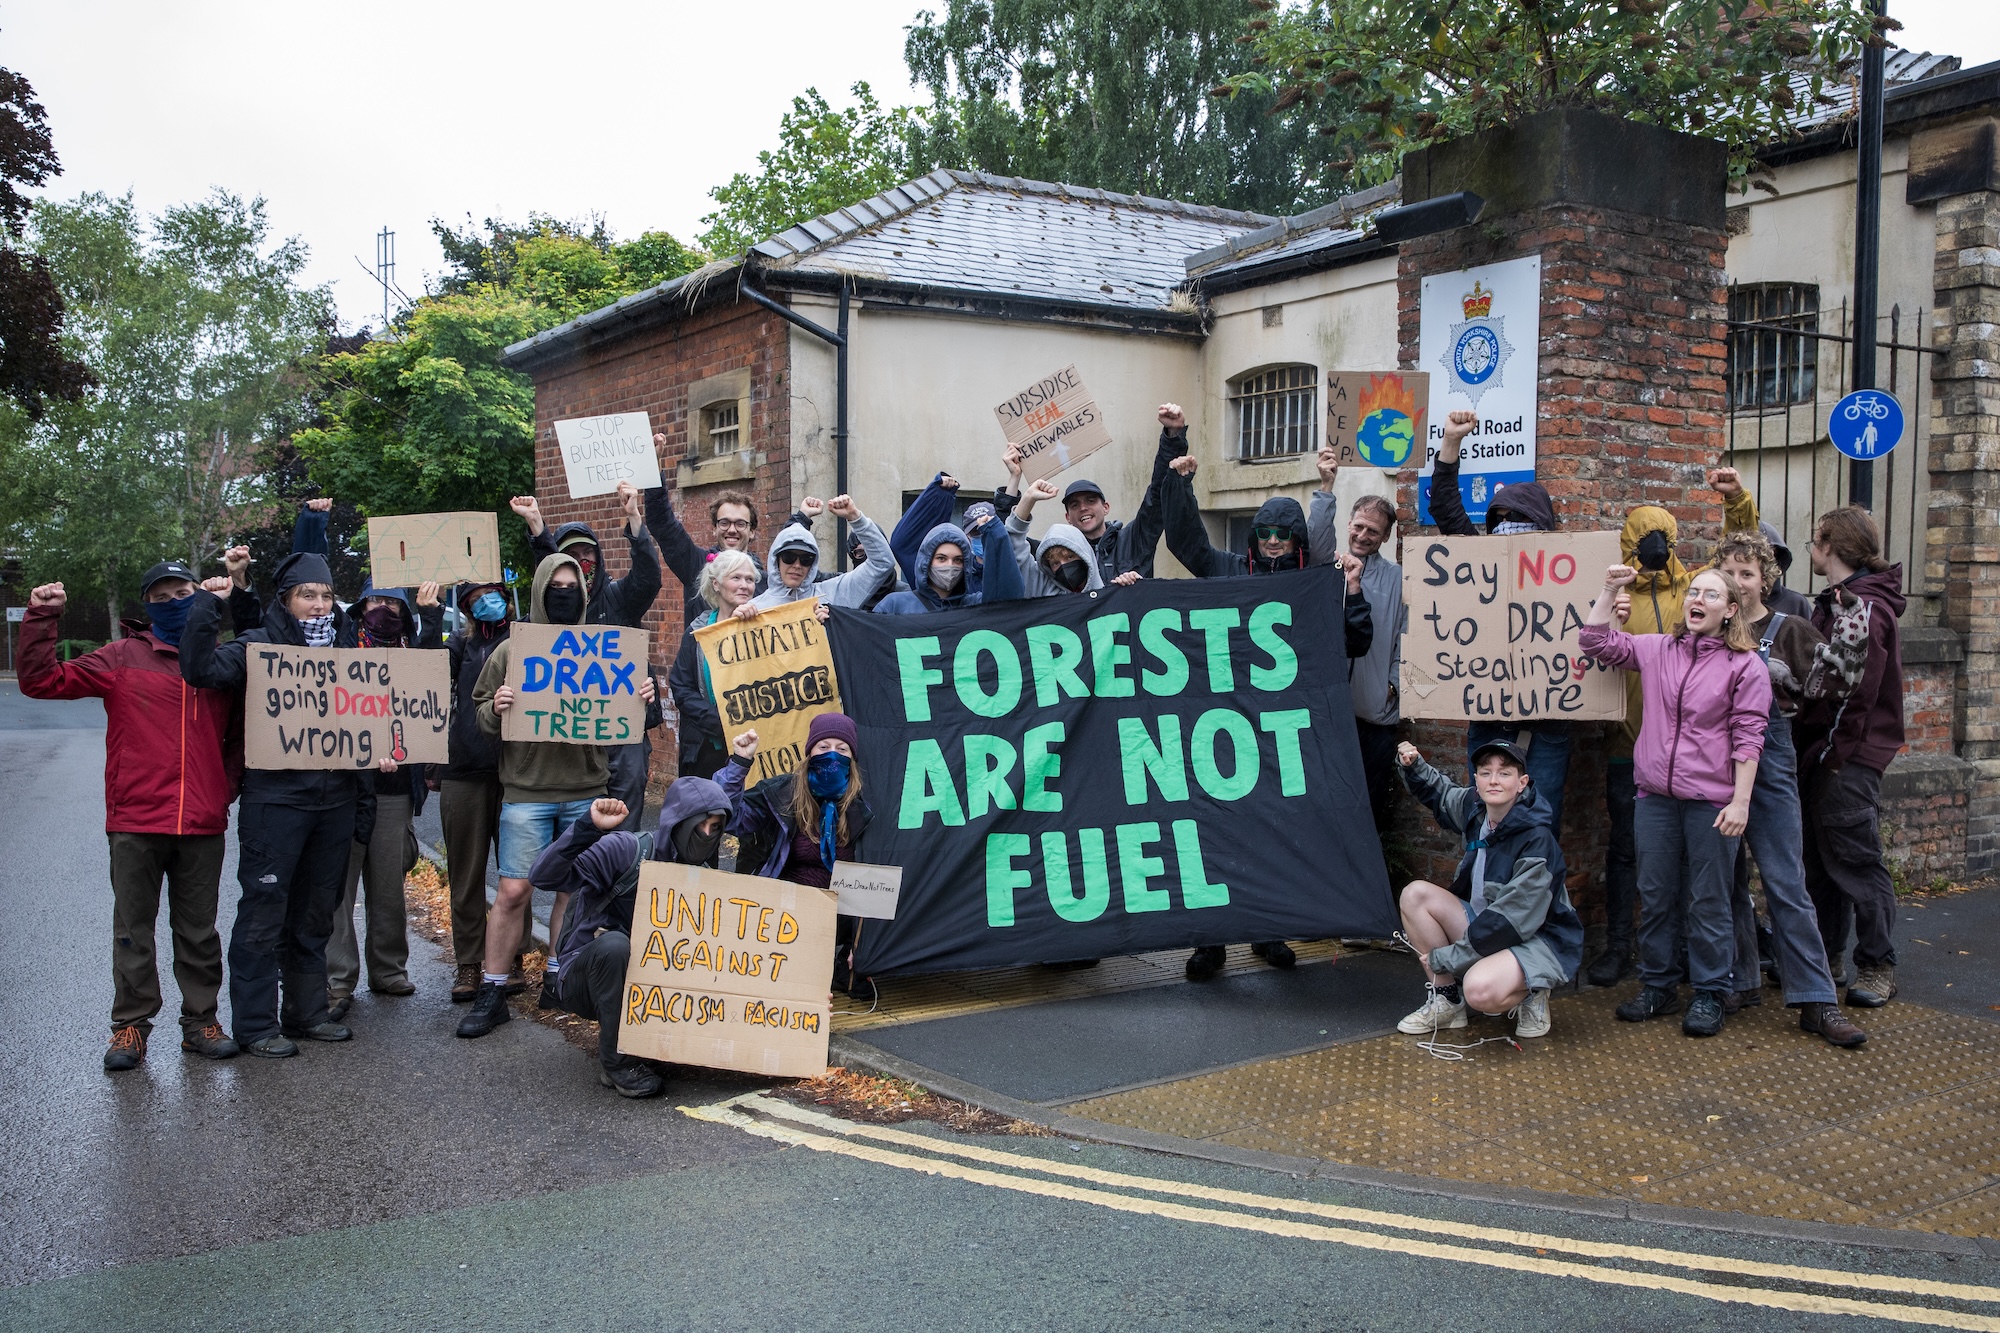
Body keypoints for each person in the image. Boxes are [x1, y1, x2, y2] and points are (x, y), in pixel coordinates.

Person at [18, 551, 258, 1070]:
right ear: (146, 606)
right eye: (162, 597)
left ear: (199, 599)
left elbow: (240, 737)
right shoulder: (121, 657)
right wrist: (42, 616)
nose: (174, 602)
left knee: (198, 930)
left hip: (200, 819)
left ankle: (200, 1023)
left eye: (183, 594)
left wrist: (224, 788)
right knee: (133, 927)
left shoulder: (221, 660)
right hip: (135, 818)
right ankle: (130, 1026)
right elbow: (41, 682)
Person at [180, 523, 396, 1058]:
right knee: (264, 911)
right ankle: (256, 1025)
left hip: (336, 801)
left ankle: (307, 1012)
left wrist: (383, 750)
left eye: (326, 595)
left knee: (315, 913)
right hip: (275, 803)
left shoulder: (350, 651)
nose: (320, 605)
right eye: (308, 595)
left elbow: (383, 710)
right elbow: (200, 669)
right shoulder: (258, 646)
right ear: (286, 600)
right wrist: (210, 607)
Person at [1159, 449, 1372, 980]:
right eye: (1264, 534)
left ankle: (1267, 929)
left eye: (1283, 534)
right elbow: (1186, 544)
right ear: (1252, 538)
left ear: (1297, 540)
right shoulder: (1228, 569)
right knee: (1218, 833)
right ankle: (1210, 943)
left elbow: (1352, 641)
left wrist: (1351, 591)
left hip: (1283, 734)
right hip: (1223, 728)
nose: (1273, 542)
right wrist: (1183, 488)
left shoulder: (1317, 581)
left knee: (1273, 834)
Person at [456, 551, 657, 1038]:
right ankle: (493, 988)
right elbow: (479, 713)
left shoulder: (608, 650)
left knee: (575, 888)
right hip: (526, 791)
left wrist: (645, 700)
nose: (564, 594)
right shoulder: (511, 650)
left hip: (586, 789)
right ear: (541, 591)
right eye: (556, 586)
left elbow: (634, 723)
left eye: (573, 586)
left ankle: (557, 974)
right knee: (513, 890)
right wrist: (497, 707)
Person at [1580, 564, 1771, 1038]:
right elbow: (1596, 642)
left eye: (1710, 594)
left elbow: (1749, 739)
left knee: (1709, 901)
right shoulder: (1659, 649)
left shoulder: (1745, 666)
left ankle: (1710, 992)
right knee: (1657, 895)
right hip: (1655, 799)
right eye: (1694, 592)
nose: (1697, 600)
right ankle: (1659, 986)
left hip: (1712, 802)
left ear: (1730, 610)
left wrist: (1741, 803)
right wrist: (1609, 590)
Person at [1588, 467, 1761, 987]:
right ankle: (1637, 961)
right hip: (1639, 756)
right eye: (1643, 538)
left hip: (1706, 781)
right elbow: (1598, 644)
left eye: (1661, 534)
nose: (1698, 603)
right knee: (1641, 870)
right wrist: (1610, 600)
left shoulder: (1701, 595)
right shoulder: (1642, 619)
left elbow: (1735, 554)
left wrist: (1735, 500)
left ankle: (1706, 979)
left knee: (1705, 887)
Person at [1712, 531, 1867, 1047]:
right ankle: (1738, 981)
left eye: (1747, 573)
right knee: (1726, 882)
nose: (1737, 581)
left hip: (1772, 759)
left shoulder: (1790, 630)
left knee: (1785, 881)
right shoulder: (1704, 628)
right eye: (1728, 572)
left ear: (1764, 581)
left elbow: (1836, 684)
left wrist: (1849, 631)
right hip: (1713, 762)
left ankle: (1816, 999)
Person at [529, 779, 733, 1097]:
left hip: (653, 986)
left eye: (716, 827)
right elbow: (543, 876)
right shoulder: (626, 849)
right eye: (699, 824)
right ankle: (617, 1063)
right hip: (588, 978)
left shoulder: (704, 878)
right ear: (678, 823)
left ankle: (653, 1043)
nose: (706, 834)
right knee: (614, 946)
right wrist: (587, 828)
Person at [1428, 410, 1574, 834]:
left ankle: (1535, 902)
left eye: (1521, 522)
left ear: (1543, 529)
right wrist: (1451, 443)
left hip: (1545, 726)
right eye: (1502, 521)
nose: (1510, 530)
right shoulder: (1480, 562)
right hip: (1490, 719)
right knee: (1483, 827)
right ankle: (1479, 898)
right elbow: (1444, 508)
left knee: (1538, 830)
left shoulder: (1567, 577)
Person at [1793, 506, 1907, 1008]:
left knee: (1857, 864)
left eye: (1814, 540)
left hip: (1846, 759)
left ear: (1830, 547)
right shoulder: (1839, 601)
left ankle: (1877, 965)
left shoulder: (1865, 608)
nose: (1810, 548)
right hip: (1826, 754)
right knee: (1820, 865)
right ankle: (1828, 961)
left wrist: (1832, 757)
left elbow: (1856, 697)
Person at [1392, 738, 1580, 1039]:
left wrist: (1448, 958)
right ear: (1476, 779)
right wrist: (1413, 766)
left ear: (1522, 783)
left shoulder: (1537, 841)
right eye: (1485, 772)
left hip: (1536, 940)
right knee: (1415, 894)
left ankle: (1534, 991)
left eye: (1504, 773)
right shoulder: (1476, 808)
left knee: (1479, 992)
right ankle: (1447, 1002)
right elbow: (1442, 793)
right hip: (1489, 928)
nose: (1494, 780)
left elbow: (1509, 921)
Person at [511, 484, 662, 836]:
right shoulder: (558, 606)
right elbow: (551, 569)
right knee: (581, 829)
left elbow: (648, 577)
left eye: (588, 552)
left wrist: (634, 520)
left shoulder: (619, 598)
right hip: (574, 732)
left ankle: (622, 883)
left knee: (623, 827)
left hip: (625, 735)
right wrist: (536, 525)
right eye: (573, 555)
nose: (582, 561)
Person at [326, 577, 445, 1019]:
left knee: (389, 887)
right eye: (375, 602)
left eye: (393, 605)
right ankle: (338, 978)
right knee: (340, 887)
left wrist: (430, 613)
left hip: (393, 792)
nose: (383, 610)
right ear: (360, 608)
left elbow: (434, 666)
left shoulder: (415, 655)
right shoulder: (341, 651)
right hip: (345, 789)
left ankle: (389, 969)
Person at [721, 714, 874, 995]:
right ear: (809, 752)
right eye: (823, 747)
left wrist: (865, 944)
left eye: (842, 750)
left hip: (838, 918)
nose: (831, 755)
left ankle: (839, 963)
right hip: (785, 914)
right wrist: (739, 763)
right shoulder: (781, 794)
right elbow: (726, 816)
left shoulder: (865, 805)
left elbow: (876, 882)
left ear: (853, 758)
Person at [1306, 464, 1404, 848]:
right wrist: (1325, 487)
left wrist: (1393, 686)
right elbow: (1315, 538)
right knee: (1323, 804)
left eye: (1373, 531)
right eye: (1358, 526)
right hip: (1328, 711)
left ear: (1385, 537)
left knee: (1368, 808)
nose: (1363, 535)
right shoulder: (1329, 566)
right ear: (1349, 524)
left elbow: (1405, 636)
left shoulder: (1397, 579)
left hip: (1374, 717)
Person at [998, 403, 1186, 586]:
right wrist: (1014, 478)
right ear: (1068, 518)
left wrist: (1173, 436)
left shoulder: (1133, 540)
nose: (1083, 507)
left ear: (1105, 507)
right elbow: (1009, 539)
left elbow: (1157, 496)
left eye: (1090, 500)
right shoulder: (1054, 553)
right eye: (1074, 505)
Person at [439, 579, 515, 1003]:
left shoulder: (526, 638)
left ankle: (513, 957)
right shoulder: (458, 647)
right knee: (466, 876)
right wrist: (431, 616)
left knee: (515, 874)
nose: (488, 603)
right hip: (464, 770)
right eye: (475, 599)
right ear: (466, 609)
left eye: (493, 594)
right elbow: (424, 680)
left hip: (514, 772)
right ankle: (469, 962)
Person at [640, 443, 815, 626]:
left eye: (740, 523)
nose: (732, 530)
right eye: (724, 523)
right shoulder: (697, 566)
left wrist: (802, 518)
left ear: (752, 531)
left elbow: (787, 547)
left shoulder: (767, 581)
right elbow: (663, 524)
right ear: (714, 528)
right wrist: (654, 464)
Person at [670, 549, 760, 781]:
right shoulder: (697, 632)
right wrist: (720, 721)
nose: (744, 585)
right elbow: (681, 687)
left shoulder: (765, 626)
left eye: (749, 579)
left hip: (755, 744)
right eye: (736, 578)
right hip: (706, 750)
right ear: (717, 585)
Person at [748, 495, 895, 612]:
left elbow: (882, 563)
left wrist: (856, 518)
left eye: (806, 559)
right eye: (789, 557)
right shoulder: (755, 609)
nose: (797, 565)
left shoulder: (831, 595)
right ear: (776, 560)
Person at [1007, 479, 1141, 595]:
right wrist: (1028, 498)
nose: (1064, 566)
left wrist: (1136, 588)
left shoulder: (1109, 595)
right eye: (1055, 563)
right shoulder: (1042, 588)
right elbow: (1012, 545)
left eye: (1070, 557)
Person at [873, 511, 1022, 614]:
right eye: (941, 558)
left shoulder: (976, 605)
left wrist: (995, 533)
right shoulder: (895, 606)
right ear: (926, 562)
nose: (950, 566)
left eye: (958, 560)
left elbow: (1008, 603)